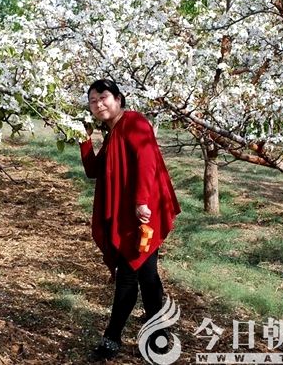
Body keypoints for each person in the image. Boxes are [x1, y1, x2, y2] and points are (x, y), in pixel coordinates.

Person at [80, 79, 181, 361]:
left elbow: (147, 161)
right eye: (92, 100)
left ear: (118, 99)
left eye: (103, 97)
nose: (98, 104)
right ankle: (158, 336)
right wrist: (84, 139)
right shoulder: (113, 132)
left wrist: (141, 201)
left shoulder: (134, 122)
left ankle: (112, 340)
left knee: (129, 275)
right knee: (147, 275)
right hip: (130, 214)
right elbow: (93, 170)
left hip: (143, 213)